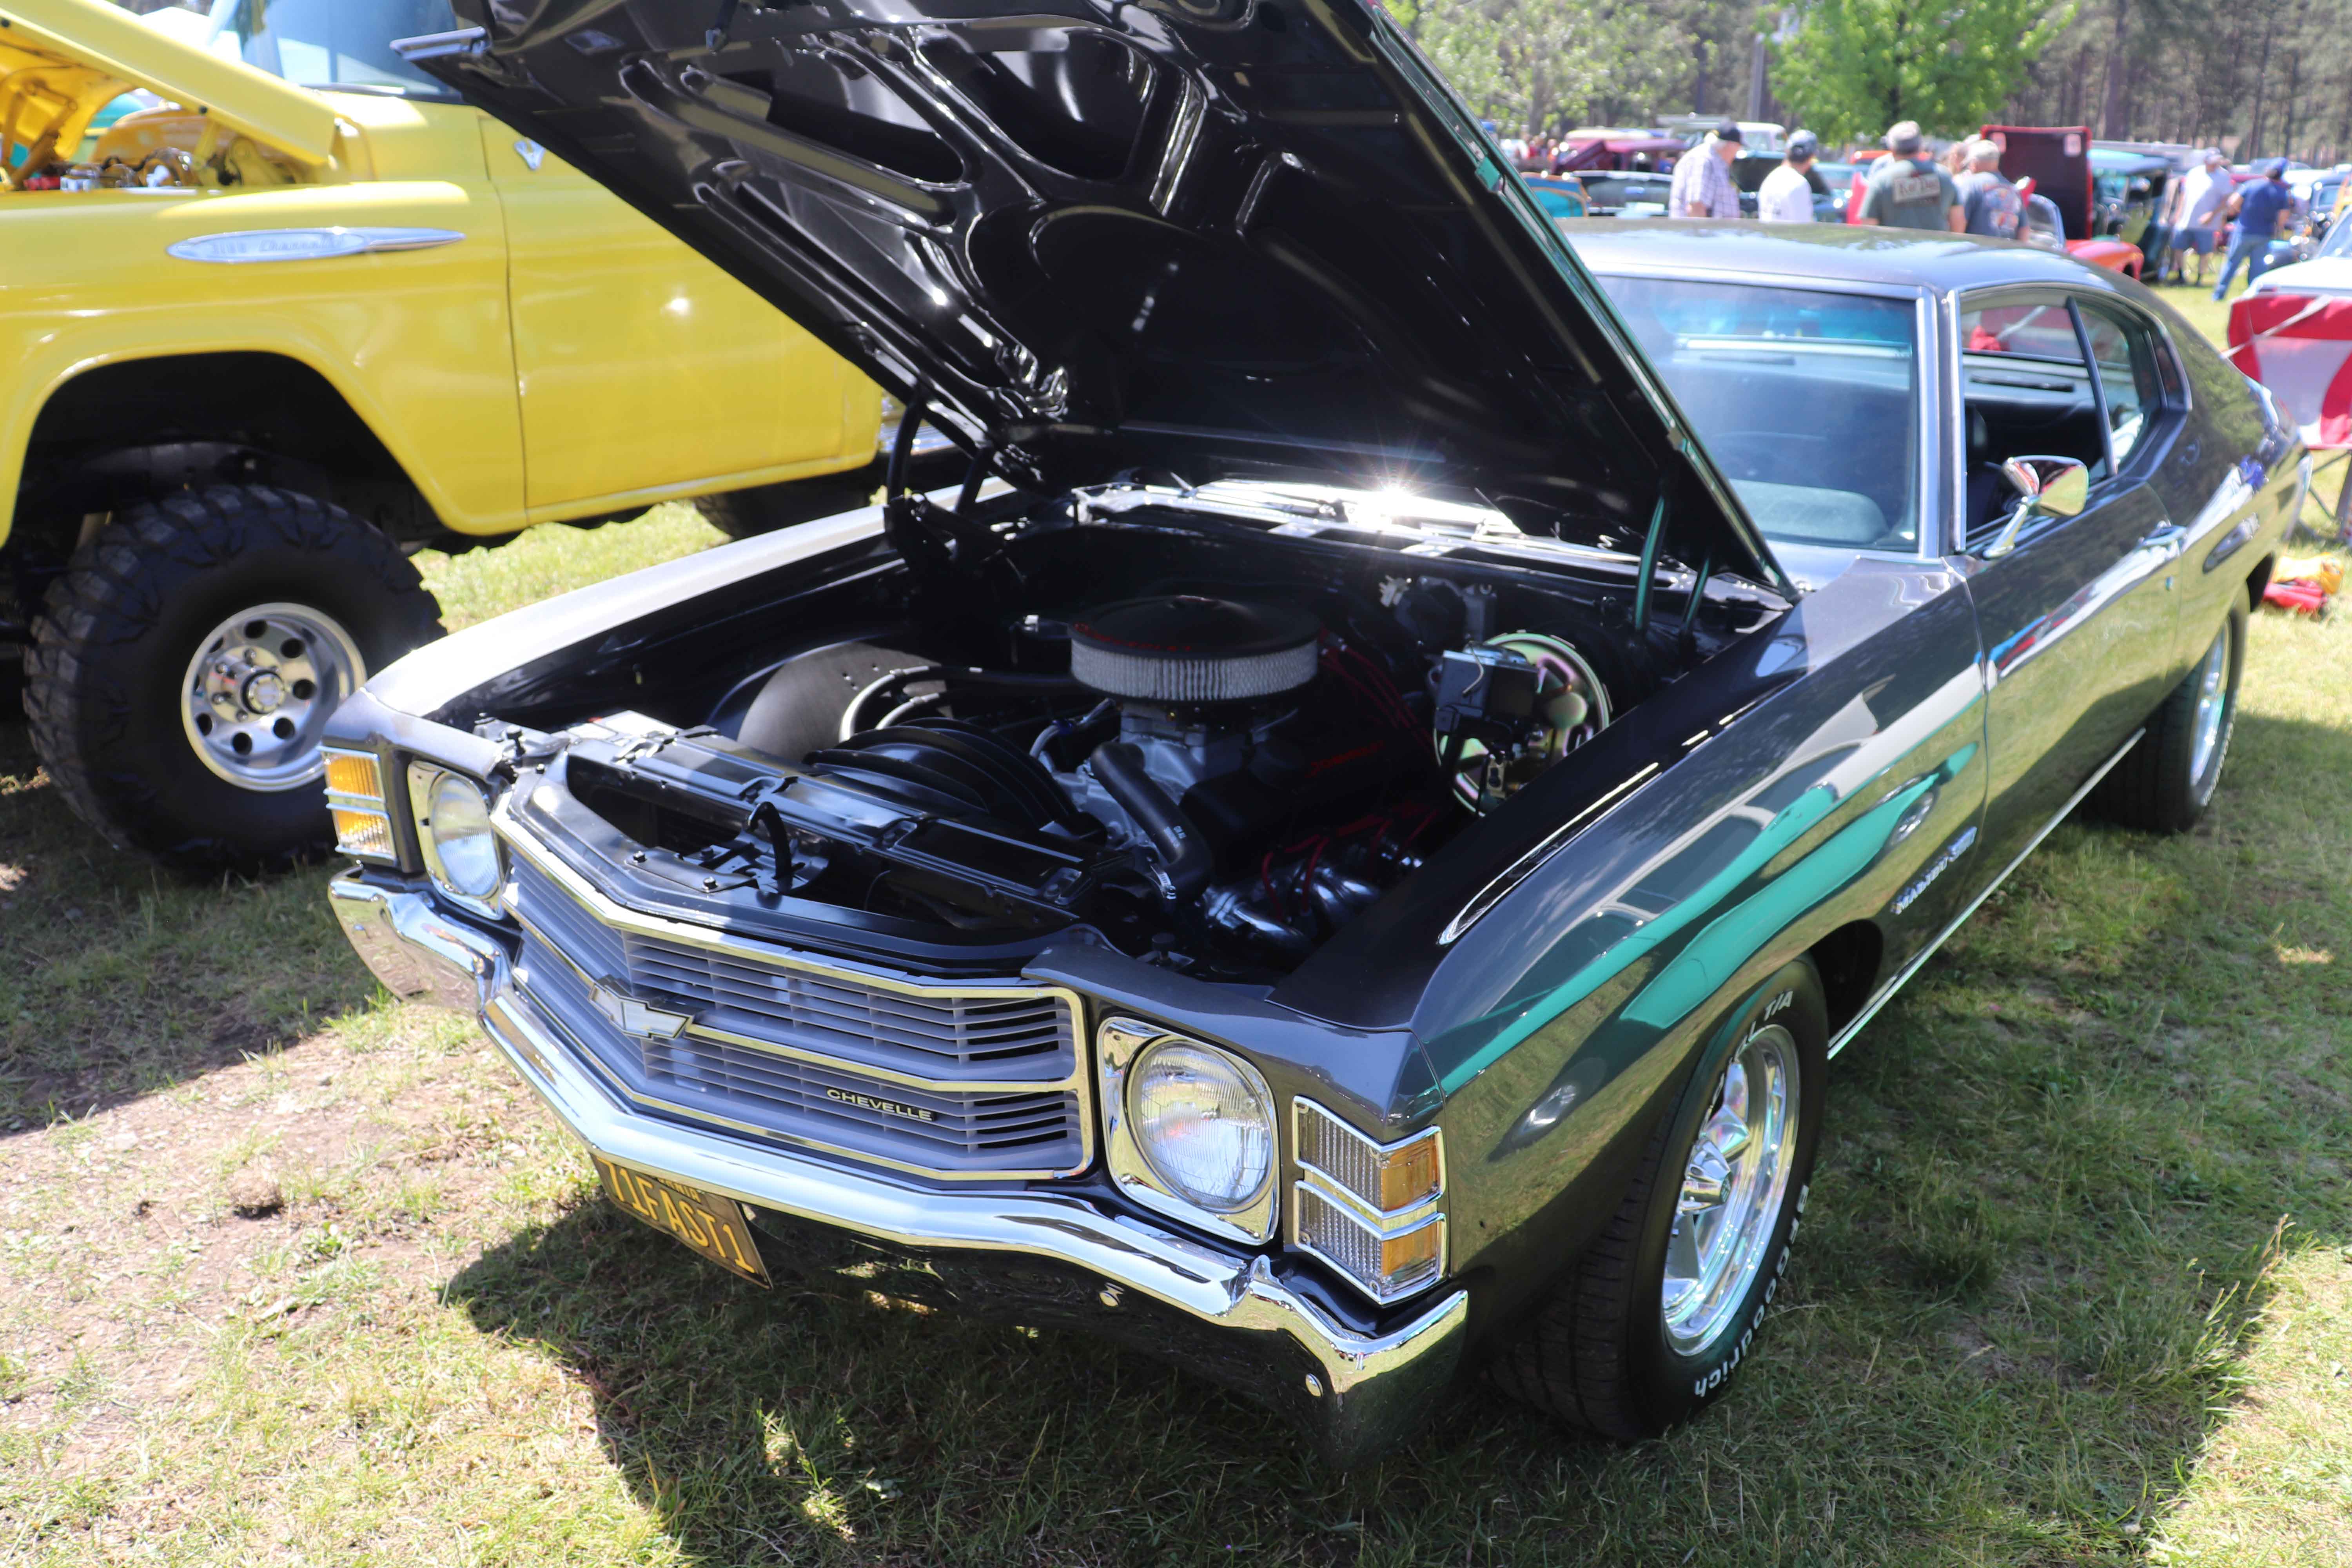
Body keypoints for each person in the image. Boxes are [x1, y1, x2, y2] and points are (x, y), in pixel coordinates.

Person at [1854, 121, 1964, 231]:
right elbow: (1958, 221)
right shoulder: (1944, 176)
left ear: (1893, 149)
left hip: (1895, 243)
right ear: (1920, 147)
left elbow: (1869, 226)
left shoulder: (1882, 180)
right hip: (1936, 243)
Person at [2213, 159, 2297, 299]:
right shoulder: (2282, 192)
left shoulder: (2251, 185)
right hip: (2264, 233)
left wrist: (2242, 214)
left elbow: (2233, 202)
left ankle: (2218, 295)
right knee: (2257, 268)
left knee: (2232, 263)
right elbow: (2282, 219)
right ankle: (2253, 297)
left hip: (2243, 231)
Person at [2172, 149, 2232, 289]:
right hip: (2186, 220)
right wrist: (2178, 214)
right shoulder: (2194, 173)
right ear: (2206, 161)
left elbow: (2226, 199)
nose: (2215, 164)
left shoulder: (2223, 176)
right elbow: (2184, 195)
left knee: (2204, 252)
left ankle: (2200, 278)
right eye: (2213, 161)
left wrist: (2212, 215)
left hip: (2207, 223)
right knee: (2178, 247)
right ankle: (2181, 276)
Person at [1669, 118, 1742, 219]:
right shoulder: (1703, 161)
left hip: (1718, 228)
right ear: (1731, 146)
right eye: (1738, 148)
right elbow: (1696, 207)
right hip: (1703, 229)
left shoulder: (1715, 161)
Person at [1953, 138, 2023, 239]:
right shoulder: (2013, 190)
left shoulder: (1970, 184)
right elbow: (2024, 230)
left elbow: (1958, 225)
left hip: (1976, 248)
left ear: (1974, 163)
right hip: (2005, 248)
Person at [1757, 129, 1819, 222]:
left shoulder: (1770, 179)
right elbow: (1804, 227)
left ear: (1787, 151)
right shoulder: (1799, 184)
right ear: (1811, 158)